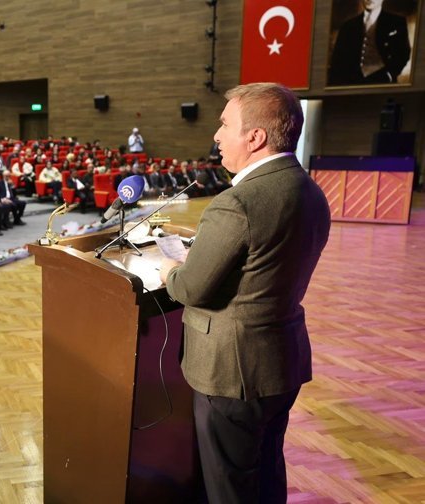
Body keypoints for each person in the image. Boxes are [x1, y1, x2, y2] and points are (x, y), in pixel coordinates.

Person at [159, 83, 331, 504]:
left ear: (254, 137)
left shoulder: (237, 203)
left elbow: (190, 288)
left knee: (229, 488)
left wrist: (169, 269)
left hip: (233, 373)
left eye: (224, 125)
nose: (216, 136)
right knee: (266, 472)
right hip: (280, 362)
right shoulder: (310, 190)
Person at [328, 0, 411, 85]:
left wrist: (389, 74)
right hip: (352, 84)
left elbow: (403, 53)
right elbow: (338, 61)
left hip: (383, 83)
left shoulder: (397, 22)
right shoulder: (348, 26)